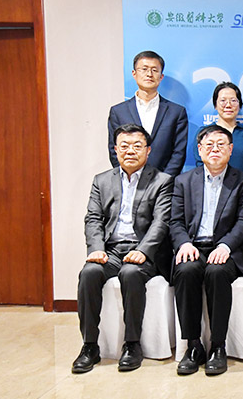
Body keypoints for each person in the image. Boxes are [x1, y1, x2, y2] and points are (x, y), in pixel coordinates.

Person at [72, 124, 173, 374]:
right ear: (115, 150)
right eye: (124, 146)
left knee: (131, 273)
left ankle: (132, 344)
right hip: (111, 251)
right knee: (89, 273)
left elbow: (161, 222)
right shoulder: (102, 180)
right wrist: (96, 248)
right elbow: (93, 218)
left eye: (137, 146)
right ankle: (89, 346)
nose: (130, 151)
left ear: (148, 150)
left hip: (144, 251)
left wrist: (143, 250)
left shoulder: (162, 181)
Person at [171, 125, 243, 376]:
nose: (215, 149)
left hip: (227, 249)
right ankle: (194, 346)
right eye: (209, 145)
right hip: (194, 246)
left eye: (221, 144)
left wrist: (225, 245)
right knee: (186, 270)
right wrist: (184, 243)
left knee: (217, 272)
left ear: (231, 150)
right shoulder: (184, 181)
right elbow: (175, 221)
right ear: (199, 150)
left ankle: (218, 346)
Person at [108, 50, 188, 176]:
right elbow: (114, 150)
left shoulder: (176, 112)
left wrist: (164, 181)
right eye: (144, 69)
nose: (149, 74)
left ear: (161, 76)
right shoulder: (118, 112)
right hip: (130, 181)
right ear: (134, 74)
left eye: (154, 70)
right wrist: (129, 177)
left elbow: (179, 153)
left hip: (165, 183)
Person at [210, 82, 243, 178]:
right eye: (223, 100)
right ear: (215, 105)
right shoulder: (205, 134)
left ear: (239, 105)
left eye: (233, 100)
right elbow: (201, 166)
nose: (228, 105)